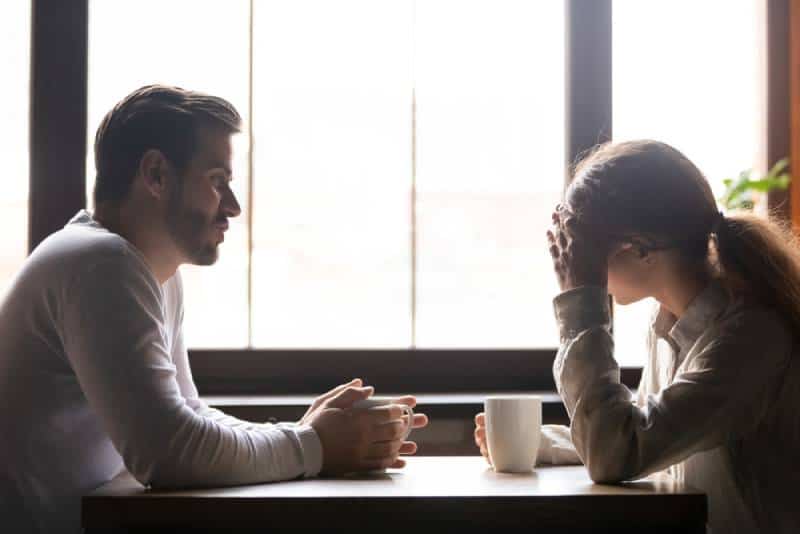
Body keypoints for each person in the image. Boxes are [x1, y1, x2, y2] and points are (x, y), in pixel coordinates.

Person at [0, 85, 427, 533]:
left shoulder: (145, 271)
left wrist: (305, 432)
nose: (233, 207)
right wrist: (313, 444)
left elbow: (187, 415)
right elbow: (169, 454)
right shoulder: (100, 264)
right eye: (217, 181)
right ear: (157, 175)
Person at [475, 140, 800, 533]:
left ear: (641, 249)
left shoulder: (750, 339)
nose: (570, 257)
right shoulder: (670, 323)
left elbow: (618, 452)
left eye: (581, 244)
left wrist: (581, 302)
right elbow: (647, 433)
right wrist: (540, 443)